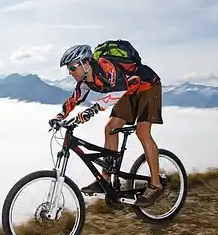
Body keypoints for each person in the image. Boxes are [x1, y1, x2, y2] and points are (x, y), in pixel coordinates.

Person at [48, 41, 164, 208]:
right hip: (128, 91)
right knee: (110, 128)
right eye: (68, 68)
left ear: (85, 63)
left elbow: (119, 89)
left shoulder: (105, 68)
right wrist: (59, 116)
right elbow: (74, 99)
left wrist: (94, 109)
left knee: (142, 132)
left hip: (148, 86)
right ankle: (106, 179)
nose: (70, 72)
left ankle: (156, 185)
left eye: (72, 67)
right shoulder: (85, 81)